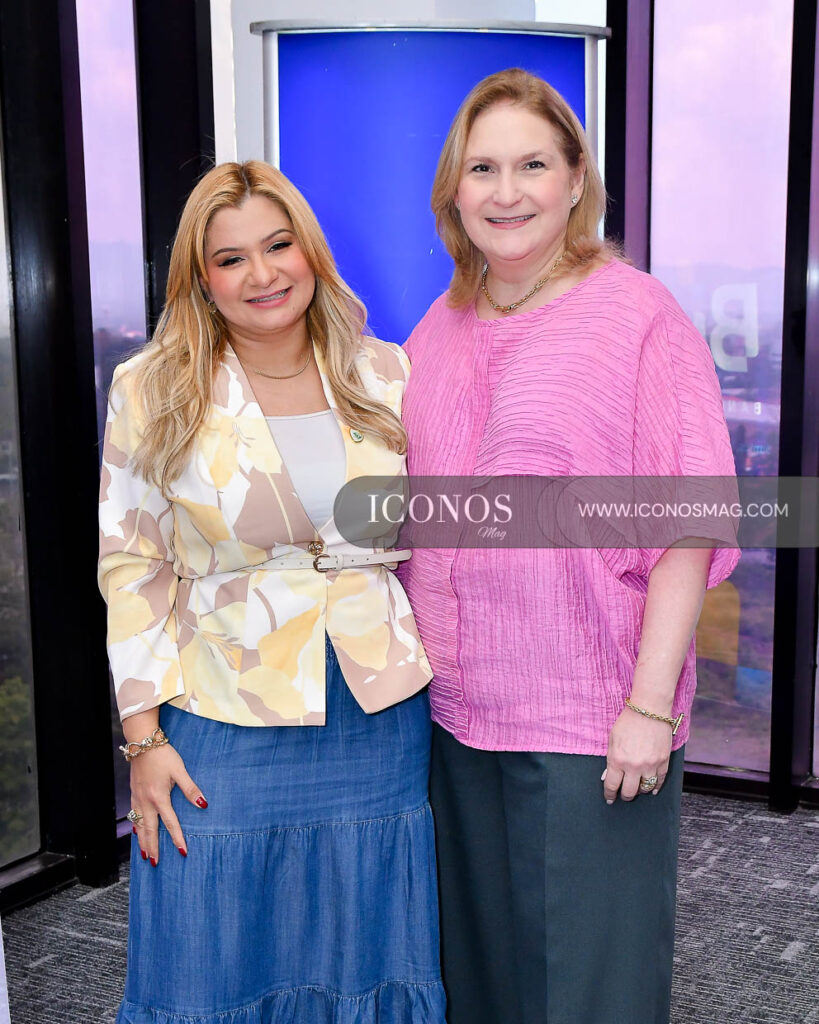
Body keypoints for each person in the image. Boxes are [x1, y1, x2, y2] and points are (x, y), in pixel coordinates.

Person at [398, 69, 740, 1024]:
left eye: (532, 165)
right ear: (453, 189)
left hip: (587, 723)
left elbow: (688, 524)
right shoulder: (439, 325)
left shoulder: (638, 316)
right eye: (482, 168)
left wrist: (647, 707)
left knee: (587, 990)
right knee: (478, 980)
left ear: (575, 179)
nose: (505, 191)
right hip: (454, 717)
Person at [98, 161, 446, 1024]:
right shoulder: (153, 387)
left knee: (365, 941)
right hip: (221, 706)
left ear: (309, 251)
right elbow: (132, 565)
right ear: (201, 278)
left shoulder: (386, 372)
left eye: (278, 245)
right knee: (210, 944)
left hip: (374, 710)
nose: (262, 274)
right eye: (231, 258)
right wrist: (142, 741)